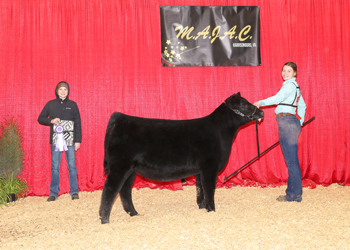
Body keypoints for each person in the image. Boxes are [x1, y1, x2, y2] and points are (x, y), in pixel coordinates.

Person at [254, 62, 306, 202]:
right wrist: (299, 123)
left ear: (294, 73)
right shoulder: (295, 87)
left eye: (289, 71)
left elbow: (278, 98)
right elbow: (302, 106)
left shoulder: (289, 86)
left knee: (291, 161)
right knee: (292, 160)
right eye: (283, 70)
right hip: (291, 122)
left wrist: (261, 103)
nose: (285, 73)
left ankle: (293, 195)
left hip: (287, 122)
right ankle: (294, 193)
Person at [38, 81, 82, 202]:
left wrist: (78, 140)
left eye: (65, 89)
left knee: (72, 166)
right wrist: (51, 120)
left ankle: (74, 191)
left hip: (71, 141)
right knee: (55, 166)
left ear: (68, 91)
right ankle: (53, 192)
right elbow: (40, 118)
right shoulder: (50, 104)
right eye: (60, 89)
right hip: (55, 140)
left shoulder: (73, 105)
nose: (63, 91)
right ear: (57, 91)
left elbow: (78, 123)